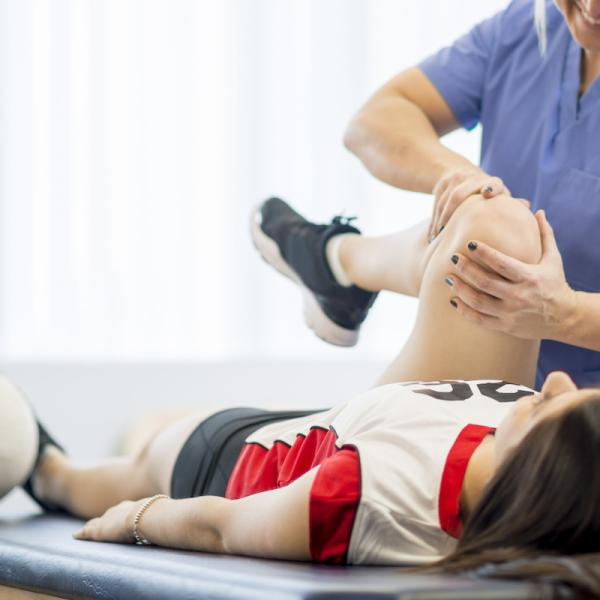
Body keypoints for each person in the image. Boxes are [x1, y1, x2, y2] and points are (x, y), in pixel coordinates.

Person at [16, 195, 600, 596]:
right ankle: (336, 266)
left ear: (537, 473)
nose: (554, 380)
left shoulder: (370, 497)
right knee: (499, 230)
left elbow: (223, 526)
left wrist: (135, 520)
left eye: (552, 408)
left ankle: (52, 467)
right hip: (352, 426)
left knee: (99, 474)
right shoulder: (508, 443)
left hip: (232, 457)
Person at [337, 0, 600, 389]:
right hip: (514, 394)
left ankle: (341, 259)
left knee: (499, 231)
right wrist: (459, 179)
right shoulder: (530, 26)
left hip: (571, 420)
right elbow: (374, 122)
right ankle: (342, 261)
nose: (592, 6)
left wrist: (564, 313)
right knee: (492, 224)